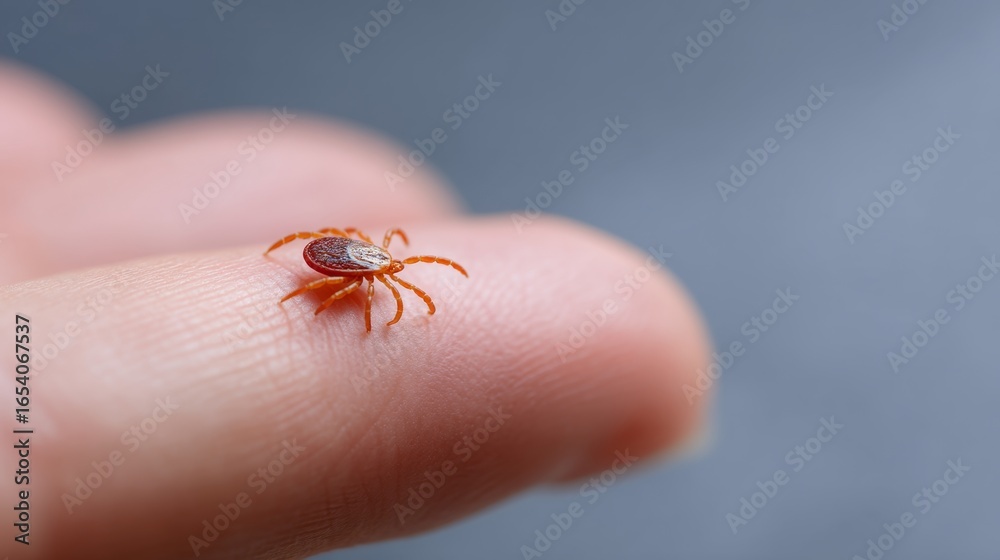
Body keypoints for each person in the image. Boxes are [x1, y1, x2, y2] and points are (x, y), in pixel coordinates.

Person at [0, 61, 711, 559]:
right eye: (395, 269)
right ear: (388, 262)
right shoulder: (372, 274)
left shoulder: (376, 267)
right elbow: (330, 257)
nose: (396, 274)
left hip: (329, 251)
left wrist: (358, 285)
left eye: (396, 272)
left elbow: (334, 253)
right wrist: (346, 294)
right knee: (329, 261)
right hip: (327, 254)